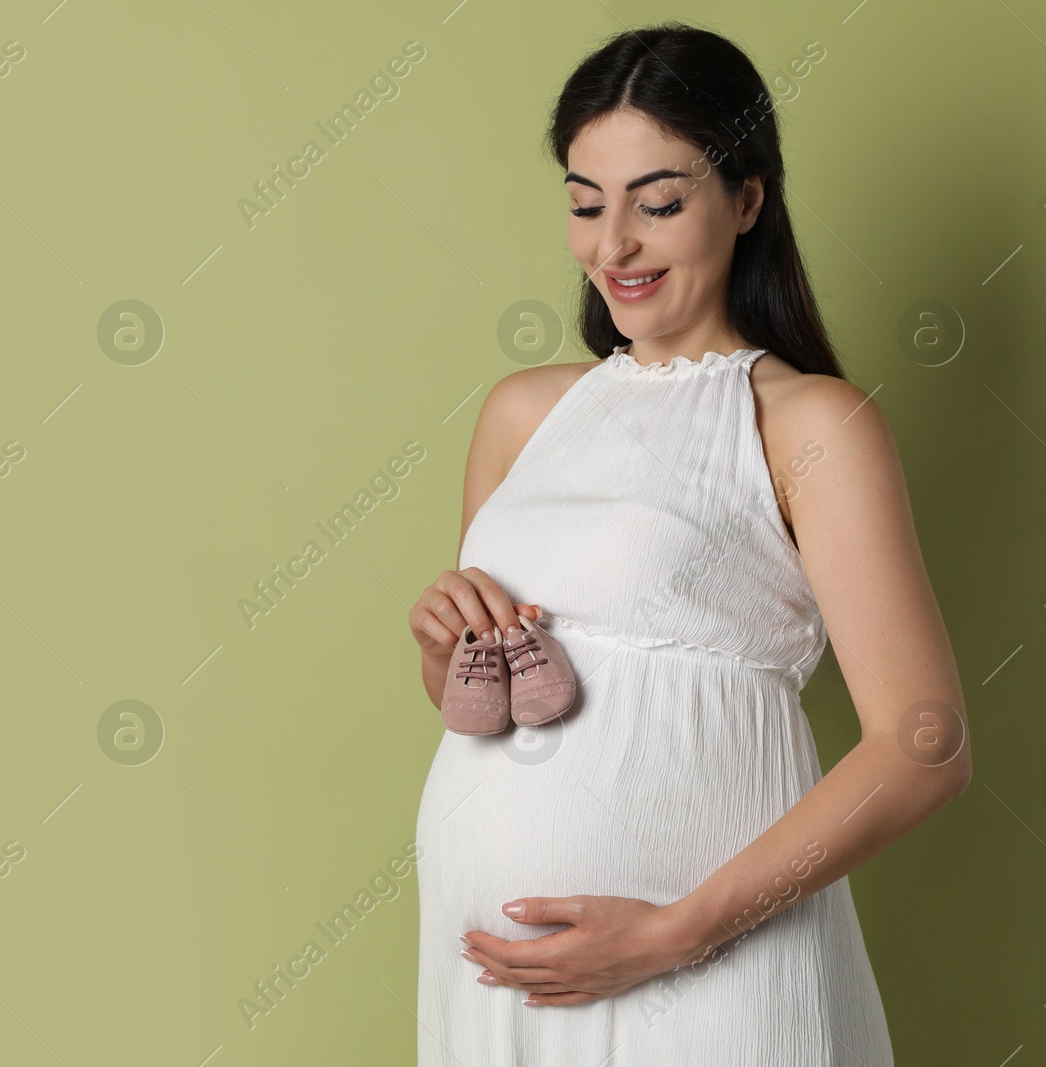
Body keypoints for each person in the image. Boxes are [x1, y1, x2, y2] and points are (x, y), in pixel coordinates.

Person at [409, 22, 970, 1065]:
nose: (611, 244)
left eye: (656, 203)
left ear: (746, 199)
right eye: (585, 203)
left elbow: (923, 743)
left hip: (709, 967)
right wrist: (447, 645)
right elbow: (479, 703)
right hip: (496, 974)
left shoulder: (807, 425)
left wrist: (673, 933)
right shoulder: (522, 413)